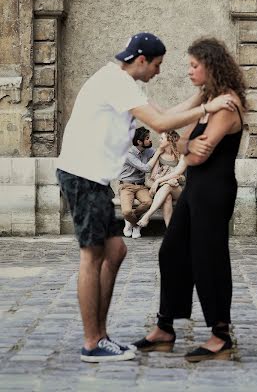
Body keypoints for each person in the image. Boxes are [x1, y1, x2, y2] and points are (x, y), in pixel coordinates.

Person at [56, 32, 237, 363]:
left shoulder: (122, 82)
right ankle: (93, 341)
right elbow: (162, 123)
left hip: (93, 180)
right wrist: (207, 106)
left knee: (116, 251)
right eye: (157, 65)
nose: (159, 71)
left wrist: (201, 100)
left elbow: (167, 114)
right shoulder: (118, 84)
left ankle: (103, 335)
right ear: (141, 61)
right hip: (82, 176)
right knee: (93, 256)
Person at [134, 37, 247, 362]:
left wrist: (182, 145)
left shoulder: (227, 103)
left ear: (211, 66)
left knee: (208, 259)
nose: (189, 71)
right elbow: (180, 134)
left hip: (214, 190)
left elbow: (196, 153)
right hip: (197, 189)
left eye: (194, 66)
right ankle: (165, 329)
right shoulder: (209, 100)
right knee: (171, 252)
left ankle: (220, 336)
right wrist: (185, 144)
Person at [118, 126, 166, 239]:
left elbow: (162, 155)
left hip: (141, 186)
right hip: (126, 186)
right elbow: (145, 168)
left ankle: (131, 222)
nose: (150, 140)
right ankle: (135, 224)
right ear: (139, 142)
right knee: (126, 212)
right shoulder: (128, 154)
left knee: (148, 202)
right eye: (147, 138)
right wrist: (158, 151)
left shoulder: (148, 150)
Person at [137, 130, 186, 229]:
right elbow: (153, 176)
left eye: (161, 138)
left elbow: (179, 175)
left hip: (179, 189)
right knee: (167, 197)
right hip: (163, 189)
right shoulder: (159, 155)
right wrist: (163, 179)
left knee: (169, 185)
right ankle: (170, 230)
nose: (159, 140)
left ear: (169, 140)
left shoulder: (181, 155)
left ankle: (147, 215)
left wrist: (162, 180)